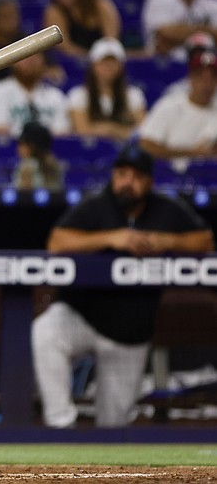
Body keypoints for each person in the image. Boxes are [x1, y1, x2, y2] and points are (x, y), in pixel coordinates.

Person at [33, 144, 214, 428]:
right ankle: (60, 424)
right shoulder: (96, 204)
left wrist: (168, 241)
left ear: (149, 182)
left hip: (129, 333)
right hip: (81, 316)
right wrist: (111, 238)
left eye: (136, 176)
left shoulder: (165, 209)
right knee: (45, 332)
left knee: (113, 425)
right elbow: (57, 241)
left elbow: (204, 240)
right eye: (121, 174)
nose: (127, 182)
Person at [138, 47, 217, 171]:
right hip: (170, 179)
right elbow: (146, 145)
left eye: (212, 77)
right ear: (190, 78)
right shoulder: (169, 106)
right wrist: (191, 153)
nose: (207, 83)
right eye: (200, 76)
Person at [67, 38, 147, 141]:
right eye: (103, 62)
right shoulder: (78, 95)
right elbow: (81, 131)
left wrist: (111, 129)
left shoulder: (134, 95)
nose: (108, 67)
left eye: (113, 62)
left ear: (121, 66)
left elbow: (143, 131)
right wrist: (119, 131)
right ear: (94, 65)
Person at [0, 52, 70, 136]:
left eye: (35, 56)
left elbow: (61, 133)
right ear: (13, 61)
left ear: (43, 61)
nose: (30, 61)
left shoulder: (55, 96)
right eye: (25, 56)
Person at [43, 0, 121, 58]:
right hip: (73, 60)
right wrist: (90, 58)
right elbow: (64, 47)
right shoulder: (54, 11)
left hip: (102, 58)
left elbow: (111, 40)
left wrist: (99, 59)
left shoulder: (100, 4)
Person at [12, 121, 64, 189]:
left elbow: (25, 195)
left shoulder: (47, 164)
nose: (18, 148)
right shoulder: (26, 164)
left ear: (33, 145)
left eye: (22, 144)